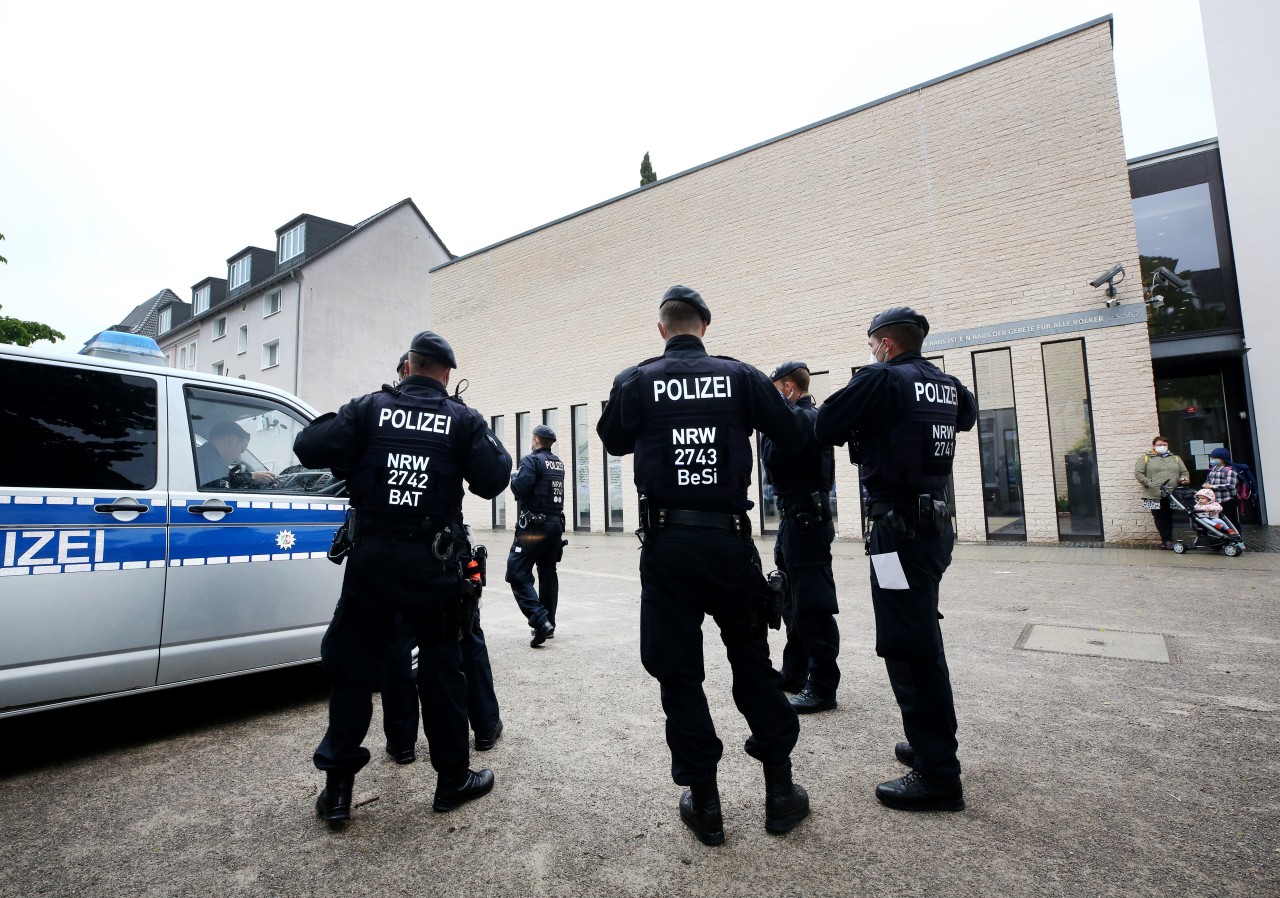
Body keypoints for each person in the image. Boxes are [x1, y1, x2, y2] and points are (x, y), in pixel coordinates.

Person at [597, 284, 811, 846]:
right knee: (752, 663)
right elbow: (793, 434)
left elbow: (612, 440)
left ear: (663, 329)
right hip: (729, 543)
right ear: (704, 327)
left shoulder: (636, 379)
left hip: (669, 548)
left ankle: (706, 801)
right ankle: (781, 793)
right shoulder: (740, 376)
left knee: (680, 674)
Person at [295, 331, 512, 826]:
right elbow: (494, 480)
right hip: (433, 566)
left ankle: (337, 792)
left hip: (371, 561)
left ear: (408, 367)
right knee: (441, 668)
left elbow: (308, 446)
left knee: (353, 673)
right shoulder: (461, 419)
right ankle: (452, 781)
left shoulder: (370, 409)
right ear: (446, 373)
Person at [814, 306, 976, 813]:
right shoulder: (948, 384)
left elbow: (825, 424)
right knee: (922, 634)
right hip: (935, 528)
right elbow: (966, 418)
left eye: (871, 345)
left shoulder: (882, 379)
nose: (871, 353)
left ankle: (938, 774)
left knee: (910, 647)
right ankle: (930, 743)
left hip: (898, 533)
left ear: (884, 344)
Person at [379, 353, 504, 765]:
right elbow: (492, 476)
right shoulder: (455, 416)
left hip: (391, 550)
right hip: (443, 548)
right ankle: (483, 726)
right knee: (462, 636)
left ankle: (401, 743)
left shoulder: (380, 415)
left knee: (397, 643)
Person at [761, 360, 840, 714]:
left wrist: (768, 427)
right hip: (797, 519)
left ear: (789, 388)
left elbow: (773, 462)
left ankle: (822, 686)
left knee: (812, 606)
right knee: (793, 602)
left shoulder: (804, 419)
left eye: (776, 389)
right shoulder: (806, 418)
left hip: (806, 521)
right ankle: (795, 673)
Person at [505, 423, 567, 647]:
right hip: (554, 527)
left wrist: (514, 477)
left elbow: (520, 487)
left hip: (533, 530)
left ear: (536, 441)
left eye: (532, 438)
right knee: (548, 571)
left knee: (516, 572)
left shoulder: (530, 460)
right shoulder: (557, 463)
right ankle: (549, 622)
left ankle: (540, 620)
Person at [1134, 436, 1190, 549]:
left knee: (1169, 515)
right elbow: (1139, 473)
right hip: (1153, 493)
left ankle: (1167, 539)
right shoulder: (1145, 458)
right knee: (1159, 516)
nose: (1162, 447)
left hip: (1171, 493)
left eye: (1165, 445)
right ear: (1153, 446)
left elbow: (1184, 472)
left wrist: (1183, 479)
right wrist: (1149, 483)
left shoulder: (1175, 458)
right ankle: (1166, 540)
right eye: (1159, 445)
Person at [196, 420, 278, 489]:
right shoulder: (206, 461)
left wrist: (250, 476)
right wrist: (250, 477)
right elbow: (220, 483)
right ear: (232, 440)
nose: (238, 458)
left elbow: (225, 479)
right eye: (241, 450)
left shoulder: (205, 457)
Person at [1204, 446, 1240, 526]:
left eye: (1214, 458)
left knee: (1231, 520)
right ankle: (1223, 536)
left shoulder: (1229, 470)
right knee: (1218, 520)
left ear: (1222, 459)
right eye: (1212, 458)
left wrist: (1213, 487)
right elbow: (1209, 480)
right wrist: (1206, 485)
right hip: (1216, 501)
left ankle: (1235, 536)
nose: (1212, 460)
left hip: (1228, 500)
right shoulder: (1213, 469)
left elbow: (1231, 485)